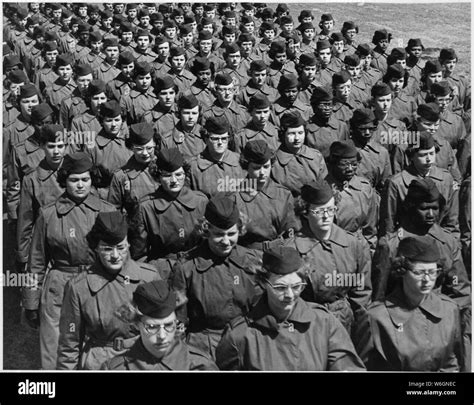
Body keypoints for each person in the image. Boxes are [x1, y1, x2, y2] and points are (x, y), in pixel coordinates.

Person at [22, 152, 116, 370]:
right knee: (57, 352)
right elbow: (36, 262)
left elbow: (120, 256)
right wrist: (31, 302)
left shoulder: (107, 211)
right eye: (74, 180)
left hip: (97, 285)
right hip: (59, 288)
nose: (80, 185)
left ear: (92, 179)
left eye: (85, 179)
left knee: (95, 353)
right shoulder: (48, 215)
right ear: (65, 181)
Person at [216, 246, 366, 371]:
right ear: (263, 283)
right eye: (280, 287)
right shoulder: (241, 335)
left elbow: (347, 365)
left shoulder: (324, 323)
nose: (289, 295)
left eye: (296, 287)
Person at [57, 211, 160, 369]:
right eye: (107, 249)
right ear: (96, 247)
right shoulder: (79, 287)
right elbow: (69, 344)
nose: (115, 255)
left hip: (142, 360)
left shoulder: (148, 278)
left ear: (129, 245)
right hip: (99, 362)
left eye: (121, 247)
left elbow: (165, 332)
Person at [285, 179, 372, 353]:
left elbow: (362, 295)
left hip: (345, 322)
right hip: (307, 324)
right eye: (318, 211)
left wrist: (360, 330)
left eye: (330, 209)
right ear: (305, 212)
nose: (326, 216)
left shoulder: (353, 244)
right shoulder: (291, 249)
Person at [170, 194, 263, 358]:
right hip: (202, 348)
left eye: (231, 234)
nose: (226, 241)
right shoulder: (186, 268)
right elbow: (178, 322)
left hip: (245, 343)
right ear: (206, 231)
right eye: (219, 234)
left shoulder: (252, 262)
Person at [364, 236, 462, 371]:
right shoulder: (377, 317)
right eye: (419, 273)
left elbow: (452, 361)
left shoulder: (449, 310)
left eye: (433, 272)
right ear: (402, 271)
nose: (427, 279)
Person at [103, 280, 217, 370]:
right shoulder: (117, 368)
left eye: (168, 325)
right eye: (152, 327)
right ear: (137, 325)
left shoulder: (201, 366)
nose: (162, 336)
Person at [131, 148, 208, 267]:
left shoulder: (201, 201)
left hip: (197, 265)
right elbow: (139, 255)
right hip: (162, 269)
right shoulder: (146, 208)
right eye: (167, 175)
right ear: (158, 177)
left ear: (185, 174)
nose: (173, 181)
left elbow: (209, 241)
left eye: (178, 175)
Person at [380, 132, 459, 238]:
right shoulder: (396, 183)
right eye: (423, 155)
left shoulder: (445, 178)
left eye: (431, 154)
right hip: (407, 241)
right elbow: (388, 223)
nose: (428, 159)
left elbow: (452, 220)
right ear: (411, 156)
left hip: (438, 240)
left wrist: (449, 244)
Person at [234, 140, 297, 250]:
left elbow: (291, 232)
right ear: (246, 167)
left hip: (280, 252)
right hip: (248, 254)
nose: (262, 173)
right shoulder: (235, 197)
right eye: (256, 168)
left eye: (266, 167)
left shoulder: (284, 194)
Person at [326, 141, 379, 253]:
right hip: (334, 247)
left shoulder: (365, 187)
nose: (350, 169)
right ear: (333, 164)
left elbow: (370, 226)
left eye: (354, 164)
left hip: (360, 246)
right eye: (344, 164)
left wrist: (371, 249)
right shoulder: (325, 189)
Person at [107, 122, 159, 217]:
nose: (145, 153)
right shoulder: (121, 177)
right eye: (139, 149)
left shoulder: (164, 169)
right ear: (131, 148)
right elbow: (113, 211)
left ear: (155, 145)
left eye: (149, 148)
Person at [271, 111, 327, 197]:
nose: (297, 138)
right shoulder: (274, 162)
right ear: (283, 134)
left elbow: (323, 185)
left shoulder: (316, 156)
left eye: (300, 133)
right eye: (292, 133)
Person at [189, 116, 245, 198]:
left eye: (224, 138)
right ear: (206, 139)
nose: (220, 143)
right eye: (215, 139)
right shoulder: (194, 167)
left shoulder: (240, 162)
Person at [306, 86, 349, 160]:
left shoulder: (342, 127)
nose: (327, 108)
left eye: (330, 104)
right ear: (314, 107)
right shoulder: (307, 129)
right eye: (323, 105)